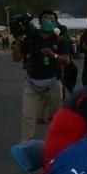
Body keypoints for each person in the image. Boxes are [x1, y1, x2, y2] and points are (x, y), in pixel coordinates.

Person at [14, 11, 70, 142]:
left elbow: (67, 60)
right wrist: (17, 41)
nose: (48, 21)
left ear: (55, 23)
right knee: (27, 116)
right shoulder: (31, 38)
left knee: (57, 117)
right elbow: (16, 58)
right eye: (45, 18)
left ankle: (57, 143)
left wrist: (53, 55)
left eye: (51, 19)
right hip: (32, 83)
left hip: (53, 83)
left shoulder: (59, 40)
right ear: (39, 22)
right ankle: (26, 145)